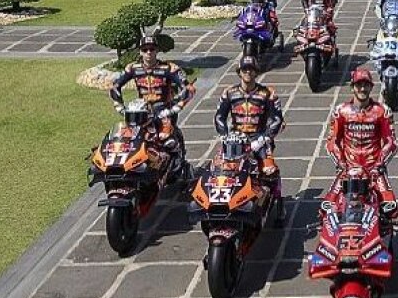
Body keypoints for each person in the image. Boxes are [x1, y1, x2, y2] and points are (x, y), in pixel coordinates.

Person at [109, 34, 194, 180]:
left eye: (152, 49)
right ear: (140, 51)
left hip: (164, 111)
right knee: (130, 139)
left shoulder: (169, 68)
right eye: (145, 49)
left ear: (157, 50)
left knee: (167, 140)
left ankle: (175, 167)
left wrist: (177, 106)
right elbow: (115, 86)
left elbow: (189, 89)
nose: (148, 52)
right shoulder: (132, 68)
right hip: (140, 112)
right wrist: (119, 106)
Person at [323, 68, 398, 222]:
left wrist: (379, 165)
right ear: (352, 87)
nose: (362, 89)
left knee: (391, 209)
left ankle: (384, 235)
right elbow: (332, 142)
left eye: (366, 85)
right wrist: (341, 164)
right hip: (348, 169)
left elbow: (391, 142)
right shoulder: (341, 111)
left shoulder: (382, 111)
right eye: (359, 85)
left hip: (374, 169)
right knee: (325, 209)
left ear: (371, 87)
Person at [214, 55, 285, 211]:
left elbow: (277, 119)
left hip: (259, 139)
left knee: (270, 171)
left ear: (256, 72)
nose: (248, 72)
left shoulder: (268, 93)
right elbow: (219, 117)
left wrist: (264, 138)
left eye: (251, 69)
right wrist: (224, 135)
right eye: (245, 69)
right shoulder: (229, 93)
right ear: (239, 72)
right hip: (234, 140)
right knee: (219, 169)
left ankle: (279, 203)